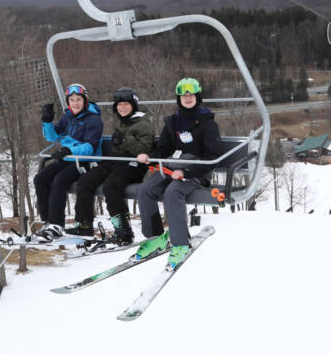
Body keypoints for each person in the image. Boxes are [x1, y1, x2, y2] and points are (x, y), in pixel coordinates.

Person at [135, 77, 221, 267]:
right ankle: (155, 237)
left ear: (198, 97)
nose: (187, 98)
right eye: (183, 95)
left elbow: (212, 157)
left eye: (191, 95)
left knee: (173, 191)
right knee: (145, 189)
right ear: (178, 98)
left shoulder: (208, 124)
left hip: (197, 172)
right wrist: (150, 156)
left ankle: (181, 243)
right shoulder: (173, 122)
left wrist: (187, 172)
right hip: (172, 168)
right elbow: (163, 149)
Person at [70, 87, 154, 242]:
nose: (122, 107)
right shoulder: (124, 121)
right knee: (86, 181)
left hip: (134, 165)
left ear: (133, 105)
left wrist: (124, 140)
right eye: (119, 104)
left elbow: (144, 149)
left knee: (111, 186)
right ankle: (84, 224)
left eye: (126, 104)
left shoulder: (143, 123)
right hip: (117, 161)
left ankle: (123, 231)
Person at [33, 83, 103, 240]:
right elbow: (52, 137)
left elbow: (90, 147)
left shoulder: (93, 120)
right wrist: (47, 121)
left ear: (85, 101)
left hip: (85, 162)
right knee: (40, 178)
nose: (75, 103)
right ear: (68, 102)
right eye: (72, 100)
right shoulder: (68, 117)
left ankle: (57, 225)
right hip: (69, 159)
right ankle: (48, 221)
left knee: (59, 180)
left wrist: (70, 150)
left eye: (78, 99)